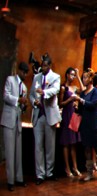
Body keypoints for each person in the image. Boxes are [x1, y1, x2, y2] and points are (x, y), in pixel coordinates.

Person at [72, 72, 97, 182]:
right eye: (83, 77)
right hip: (85, 123)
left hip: (94, 123)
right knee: (87, 148)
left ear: (90, 79)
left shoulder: (95, 91)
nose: (83, 79)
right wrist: (76, 106)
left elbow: (92, 104)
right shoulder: (83, 93)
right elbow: (82, 108)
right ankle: (89, 172)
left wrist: (81, 100)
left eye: (85, 77)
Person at [30, 55, 61, 184]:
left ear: (49, 66)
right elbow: (31, 94)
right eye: (42, 65)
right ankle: (40, 174)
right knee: (38, 145)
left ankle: (50, 172)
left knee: (50, 145)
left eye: (45, 66)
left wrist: (44, 92)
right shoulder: (36, 77)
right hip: (38, 115)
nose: (42, 68)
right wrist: (34, 102)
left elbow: (56, 89)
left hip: (50, 114)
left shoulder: (55, 77)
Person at [3, 62, 30, 191]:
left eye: (26, 72)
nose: (25, 74)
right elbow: (6, 96)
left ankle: (19, 178)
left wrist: (24, 106)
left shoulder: (24, 87)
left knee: (18, 152)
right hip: (8, 120)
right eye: (23, 72)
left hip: (18, 121)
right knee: (9, 151)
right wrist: (18, 100)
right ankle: (10, 181)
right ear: (19, 71)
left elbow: (22, 107)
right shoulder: (10, 80)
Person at [58, 67, 83, 178]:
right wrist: (70, 100)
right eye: (72, 74)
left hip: (74, 115)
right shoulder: (64, 87)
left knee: (74, 143)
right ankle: (67, 168)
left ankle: (75, 167)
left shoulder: (74, 87)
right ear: (67, 74)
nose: (72, 77)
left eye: (74, 75)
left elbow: (82, 90)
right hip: (66, 114)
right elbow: (60, 104)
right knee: (66, 142)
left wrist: (78, 76)